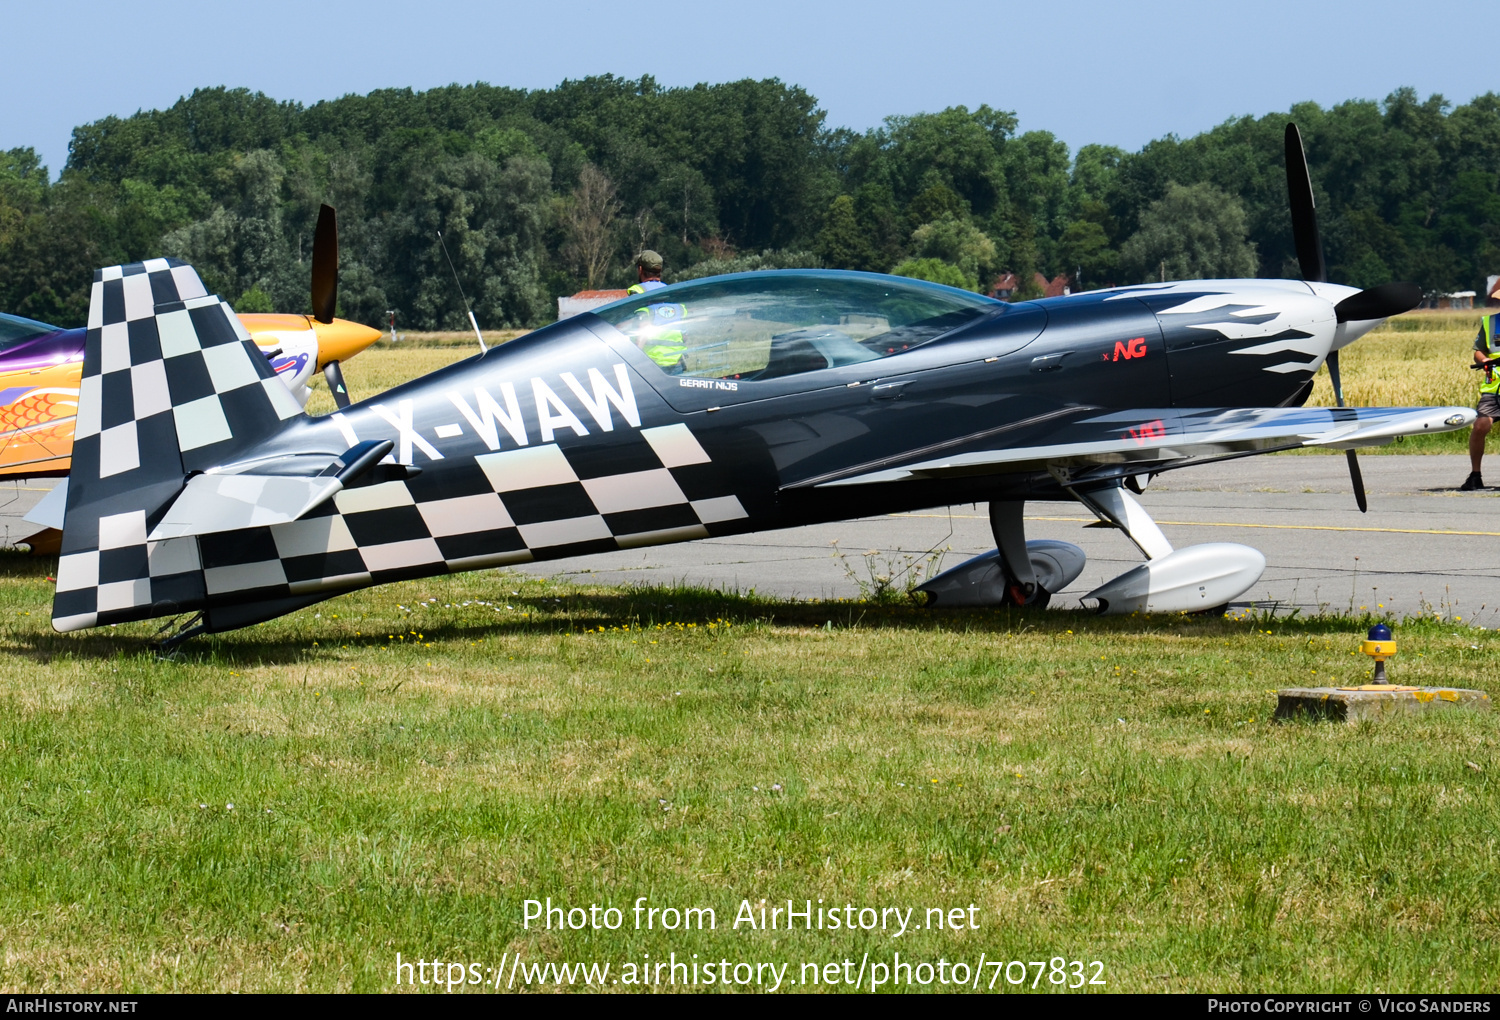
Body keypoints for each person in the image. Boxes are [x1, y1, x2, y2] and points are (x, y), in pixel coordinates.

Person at [626, 250, 687, 369]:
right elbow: (684, 336)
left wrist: (632, 362)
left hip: (651, 365)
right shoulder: (671, 292)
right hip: (676, 363)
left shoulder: (638, 292)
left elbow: (642, 329)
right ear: (660, 271)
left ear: (640, 270)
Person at [1461, 311, 1500, 490]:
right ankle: (1475, 475)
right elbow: (1479, 351)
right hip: (1493, 386)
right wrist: (1484, 360)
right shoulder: (1490, 322)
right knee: (1480, 426)